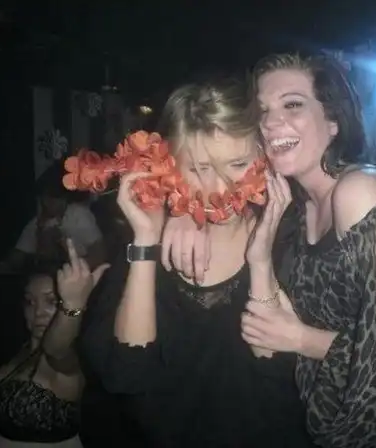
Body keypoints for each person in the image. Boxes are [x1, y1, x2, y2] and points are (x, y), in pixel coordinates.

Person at [161, 53, 376, 448]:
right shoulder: (292, 205)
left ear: (333, 120)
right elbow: (194, 167)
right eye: (262, 111)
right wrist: (182, 211)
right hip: (321, 423)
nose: (270, 122)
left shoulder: (359, 192)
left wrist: (302, 339)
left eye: (292, 104)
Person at [77, 75, 314, 447]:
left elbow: (279, 378)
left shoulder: (293, 236)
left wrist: (260, 261)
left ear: (263, 156)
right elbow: (127, 374)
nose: (218, 190)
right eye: (199, 169)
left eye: (237, 164)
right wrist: (146, 242)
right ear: (171, 167)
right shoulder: (150, 239)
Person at [0, 239, 108, 448]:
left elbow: (55, 349)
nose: (38, 312)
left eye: (52, 301)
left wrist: (73, 304)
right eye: (30, 301)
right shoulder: (18, 349)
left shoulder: (69, 359)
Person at [4, 165, 105, 271]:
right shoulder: (38, 223)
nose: (49, 202)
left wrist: (72, 265)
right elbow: (16, 257)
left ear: (65, 197)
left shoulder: (79, 215)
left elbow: (99, 255)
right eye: (45, 196)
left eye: (55, 196)